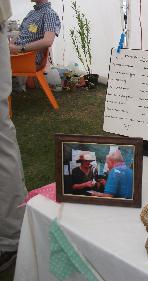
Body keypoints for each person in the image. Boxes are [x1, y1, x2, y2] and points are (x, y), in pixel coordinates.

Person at [0, 0, 28, 273]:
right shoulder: (33, 14)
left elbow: (46, 40)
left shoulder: (48, 15)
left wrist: (19, 47)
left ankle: (9, 239)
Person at [8, 0, 61, 67]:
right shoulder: (31, 13)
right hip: (16, 55)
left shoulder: (49, 14)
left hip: (27, 58)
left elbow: (48, 41)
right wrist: (10, 46)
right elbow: (20, 32)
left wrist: (20, 49)